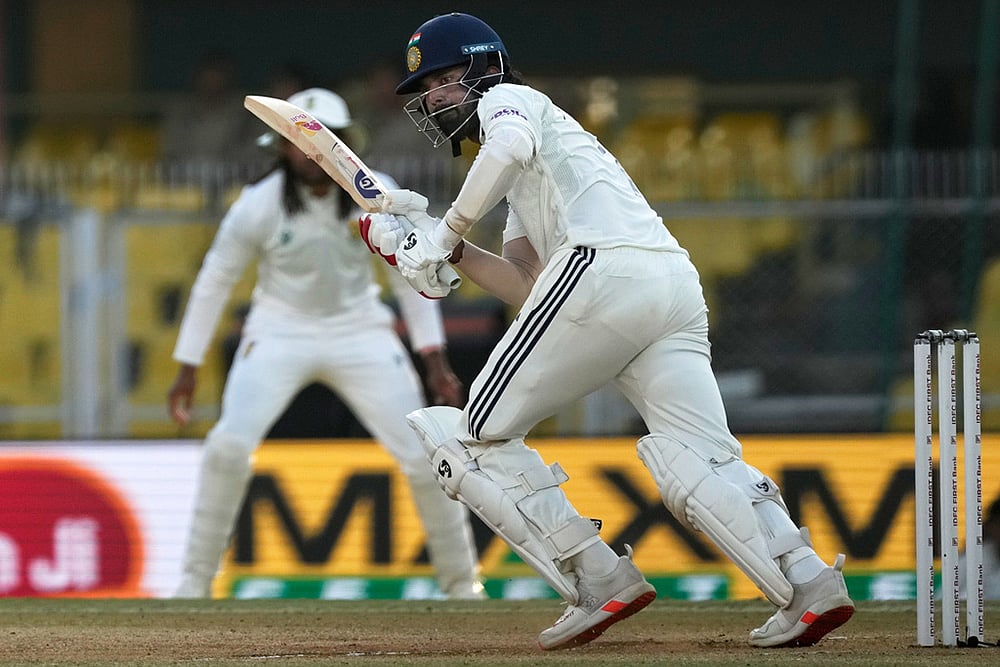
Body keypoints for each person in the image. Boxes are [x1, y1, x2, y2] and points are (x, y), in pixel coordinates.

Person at [360, 12, 854, 650]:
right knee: (702, 454)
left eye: (444, 80)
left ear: (484, 68)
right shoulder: (529, 169)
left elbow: (506, 155)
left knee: (469, 439)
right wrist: (436, 251)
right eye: (427, 90)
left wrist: (445, 232)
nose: (433, 98)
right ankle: (808, 583)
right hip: (666, 284)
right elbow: (527, 286)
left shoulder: (510, 100)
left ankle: (597, 578)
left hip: (602, 272)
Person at [167, 87, 484, 600]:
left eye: (321, 140)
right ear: (281, 146)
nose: (310, 152)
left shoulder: (377, 193)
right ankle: (192, 585)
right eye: (298, 140)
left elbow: (411, 276)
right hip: (277, 331)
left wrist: (434, 359)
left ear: (343, 142)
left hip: (360, 329)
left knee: (426, 454)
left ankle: (461, 586)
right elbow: (214, 280)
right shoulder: (257, 205)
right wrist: (187, 365)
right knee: (227, 446)